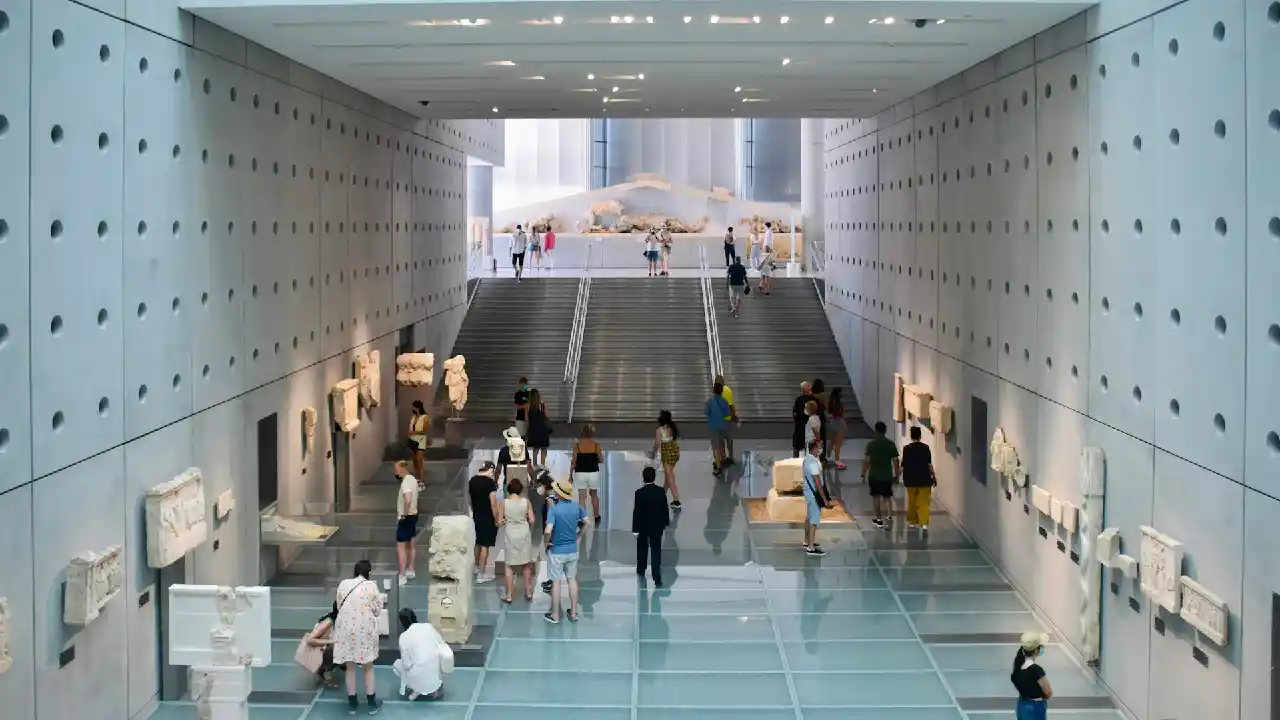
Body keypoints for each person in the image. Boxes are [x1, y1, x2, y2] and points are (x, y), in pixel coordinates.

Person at [334, 560, 382, 715]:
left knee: (350, 666)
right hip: (365, 629)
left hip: (346, 629)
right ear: (369, 572)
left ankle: (352, 704)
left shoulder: (343, 584)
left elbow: (339, 606)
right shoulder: (371, 586)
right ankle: (372, 703)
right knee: (368, 666)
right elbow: (377, 610)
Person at [544, 480, 587, 624]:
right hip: (572, 550)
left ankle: (555, 615)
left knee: (556, 582)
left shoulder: (554, 509)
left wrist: (546, 541)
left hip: (557, 551)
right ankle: (574, 612)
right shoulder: (577, 507)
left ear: (559, 494)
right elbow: (587, 522)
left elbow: (548, 530)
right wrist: (578, 535)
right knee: (571, 580)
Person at [393, 608, 453, 701]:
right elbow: (442, 645)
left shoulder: (403, 637)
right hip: (435, 673)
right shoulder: (428, 627)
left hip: (417, 675)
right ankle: (434, 686)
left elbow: (407, 665)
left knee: (397, 665)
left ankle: (416, 689)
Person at [498, 477, 537, 602]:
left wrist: (505, 520)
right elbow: (532, 520)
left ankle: (509, 594)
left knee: (509, 565)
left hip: (510, 534)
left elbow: (499, 521)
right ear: (520, 490)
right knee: (526, 564)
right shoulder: (526, 502)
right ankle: (528, 591)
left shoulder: (504, 503)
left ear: (509, 490)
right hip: (524, 534)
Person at [633, 466, 671, 586]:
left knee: (642, 548)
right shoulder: (660, 492)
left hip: (643, 526)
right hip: (657, 526)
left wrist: (635, 529)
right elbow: (665, 509)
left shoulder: (639, 493)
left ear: (643, 478)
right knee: (656, 550)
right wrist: (665, 522)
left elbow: (637, 512)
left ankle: (641, 569)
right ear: (654, 477)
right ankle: (656, 575)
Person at [861, 421, 901, 529]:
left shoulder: (871, 445)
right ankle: (889, 517)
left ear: (876, 431)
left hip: (874, 475)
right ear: (885, 431)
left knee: (876, 497)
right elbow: (895, 461)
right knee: (887, 498)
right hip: (886, 475)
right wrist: (897, 475)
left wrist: (863, 474)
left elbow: (867, 461)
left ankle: (879, 519)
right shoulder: (890, 444)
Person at [468, 461, 500, 584]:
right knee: (485, 545)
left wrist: (474, 509)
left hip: (477, 514)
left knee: (478, 541)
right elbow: (493, 503)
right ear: (491, 469)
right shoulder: (490, 483)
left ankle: (476, 567)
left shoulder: (472, 480)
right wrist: (497, 518)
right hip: (488, 516)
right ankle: (482, 573)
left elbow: (469, 498)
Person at [902, 426, 937, 531]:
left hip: (910, 479)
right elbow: (929, 465)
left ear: (911, 436)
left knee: (912, 501)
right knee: (924, 502)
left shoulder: (906, 449)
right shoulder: (926, 448)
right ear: (920, 435)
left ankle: (912, 522)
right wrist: (934, 477)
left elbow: (903, 465)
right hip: (924, 479)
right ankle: (924, 523)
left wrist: (896, 476)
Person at [1011, 632, 1053, 719]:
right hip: (1035, 708)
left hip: (1022, 705)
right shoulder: (1036, 670)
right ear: (1036, 650)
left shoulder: (1018, 665)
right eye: (1042, 646)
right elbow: (1048, 693)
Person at [802, 437, 833, 555]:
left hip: (808, 492)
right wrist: (825, 500)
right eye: (820, 447)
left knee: (809, 517)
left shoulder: (808, 460)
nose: (821, 449)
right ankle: (811, 547)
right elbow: (818, 483)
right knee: (814, 520)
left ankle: (807, 540)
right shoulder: (813, 463)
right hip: (813, 494)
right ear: (814, 448)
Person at [299, 602, 340, 688]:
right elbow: (309, 640)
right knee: (339, 647)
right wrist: (331, 642)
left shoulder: (339, 621)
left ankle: (326, 669)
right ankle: (324, 671)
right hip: (321, 649)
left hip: (325, 647)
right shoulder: (328, 622)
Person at [393, 460, 420, 587]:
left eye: (397, 470)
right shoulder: (413, 479)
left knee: (401, 547)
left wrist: (404, 514)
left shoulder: (406, 483)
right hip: (414, 516)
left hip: (406, 517)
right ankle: (411, 569)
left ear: (402, 469)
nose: (396, 473)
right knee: (411, 544)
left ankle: (402, 575)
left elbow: (408, 499)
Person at [571, 423, 603, 523]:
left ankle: (582, 518)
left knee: (581, 497)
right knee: (594, 495)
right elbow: (601, 460)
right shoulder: (596, 445)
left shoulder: (577, 446)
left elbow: (573, 462)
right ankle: (596, 516)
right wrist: (594, 460)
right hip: (593, 472)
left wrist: (570, 474)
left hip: (580, 473)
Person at [652, 410, 682, 509]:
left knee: (669, 475)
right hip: (674, 452)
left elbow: (656, 444)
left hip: (667, 453)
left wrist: (653, 453)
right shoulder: (672, 427)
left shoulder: (659, 430)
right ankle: (663, 493)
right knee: (668, 474)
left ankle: (676, 499)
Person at [705, 381, 732, 478]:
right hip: (722, 425)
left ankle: (718, 466)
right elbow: (727, 414)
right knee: (721, 444)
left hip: (713, 426)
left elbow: (706, 413)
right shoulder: (724, 401)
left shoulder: (709, 401)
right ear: (721, 391)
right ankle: (721, 459)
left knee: (715, 447)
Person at [714, 374, 738, 464]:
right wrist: (734, 416)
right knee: (729, 439)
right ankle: (731, 457)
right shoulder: (728, 390)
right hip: (728, 419)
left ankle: (722, 457)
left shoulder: (716, 391)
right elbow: (731, 405)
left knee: (720, 440)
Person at [525, 388, 552, 466]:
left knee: (535, 448)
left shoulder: (528, 406)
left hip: (533, 430)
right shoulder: (542, 405)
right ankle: (542, 465)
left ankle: (535, 464)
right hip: (543, 430)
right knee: (544, 448)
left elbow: (526, 419)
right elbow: (547, 416)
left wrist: (527, 430)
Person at [791, 382, 814, 458]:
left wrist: (796, 420)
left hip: (800, 425)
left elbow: (794, 413)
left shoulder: (798, 400)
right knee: (810, 446)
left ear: (802, 390)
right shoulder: (813, 400)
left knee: (797, 446)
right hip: (810, 425)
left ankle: (796, 461)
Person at [407, 401, 429, 480]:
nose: (412, 408)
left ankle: (421, 479)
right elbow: (411, 427)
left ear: (417, 407)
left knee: (419, 461)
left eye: (414, 407)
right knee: (415, 462)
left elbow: (425, 431)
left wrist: (414, 432)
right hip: (412, 440)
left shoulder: (425, 417)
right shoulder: (413, 417)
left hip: (420, 441)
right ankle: (417, 478)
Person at [829, 388, 847, 469]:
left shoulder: (831, 402)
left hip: (833, 422)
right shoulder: (838, 403)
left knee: (832, 441)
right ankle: (837, 460)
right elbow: (841, 414)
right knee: (838, 443)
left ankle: (827, 457)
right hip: (840, 422)